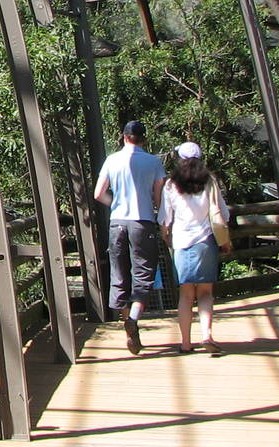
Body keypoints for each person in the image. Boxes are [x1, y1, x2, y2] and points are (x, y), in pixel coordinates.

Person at [93, 120, 166, 354]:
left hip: (117, 223)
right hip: (142, 221)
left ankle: (128, 327)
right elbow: (158, 199)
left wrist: (116, 204)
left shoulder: (112, 160)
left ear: (124, 137)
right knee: (143, 275)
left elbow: (98, 193)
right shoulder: (154, 162)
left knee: (119, 273)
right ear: (143, 139)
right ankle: (133, 318)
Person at [160, 141, 228, 354]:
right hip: (205, 241)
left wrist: (167, 238)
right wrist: (225, 239)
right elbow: (222, 214)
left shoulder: (171, 184)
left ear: (179, 158)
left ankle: (186, 343)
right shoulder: (209, 181)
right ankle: (206, 335)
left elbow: (164, 218)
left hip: (181, 242)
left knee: (186, 294)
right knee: (206, 292)